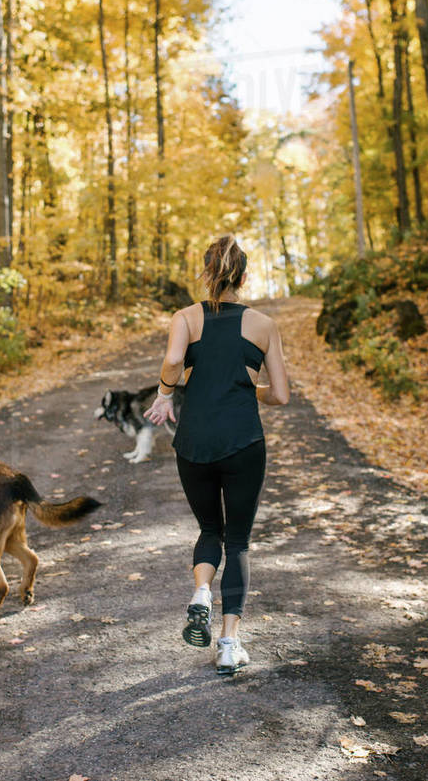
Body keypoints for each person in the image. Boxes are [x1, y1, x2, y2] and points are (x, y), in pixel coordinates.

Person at [144, 235, 290, 675]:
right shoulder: (263, 325)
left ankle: (202, 592)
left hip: (194, 445)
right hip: (244, 443)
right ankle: (229, 644)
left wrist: (165, 394)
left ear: (206, 274)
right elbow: (281, 395)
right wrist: (248, 386)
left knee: (210, 529)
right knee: (238, 540)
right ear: (243, 278)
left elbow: (172, 362)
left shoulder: (186, 317)